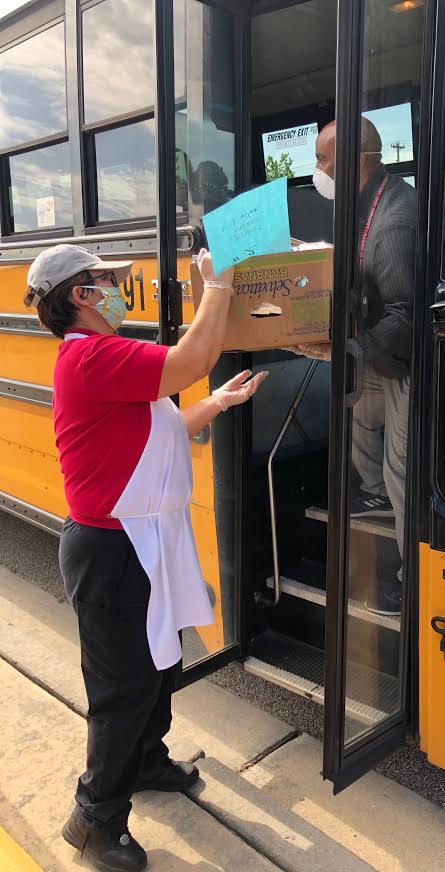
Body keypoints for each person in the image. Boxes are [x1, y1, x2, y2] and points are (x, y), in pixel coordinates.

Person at [23, 243, 267, 872]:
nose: (116, 288)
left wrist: (217, 403)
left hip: (144, 541)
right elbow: (192, 360)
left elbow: (161, 429)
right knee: (123, 689)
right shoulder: (91, 356)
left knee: (159, 665)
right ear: (80, 294)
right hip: (112, 550)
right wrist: (219, 285)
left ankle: (146, 760)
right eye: (106, 279)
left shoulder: (106, 360)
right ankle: (95, 820)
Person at [293, 118, 417, 616]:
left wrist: (344, 350)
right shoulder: (369, 200)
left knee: (402, 467)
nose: (317, 170)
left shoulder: (395, 221)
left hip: (410, 359)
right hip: (380, 352)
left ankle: (412, 585)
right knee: (358, 410)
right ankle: (373, 493)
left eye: (322, 160)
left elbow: (404, 317)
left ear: (354, 162)